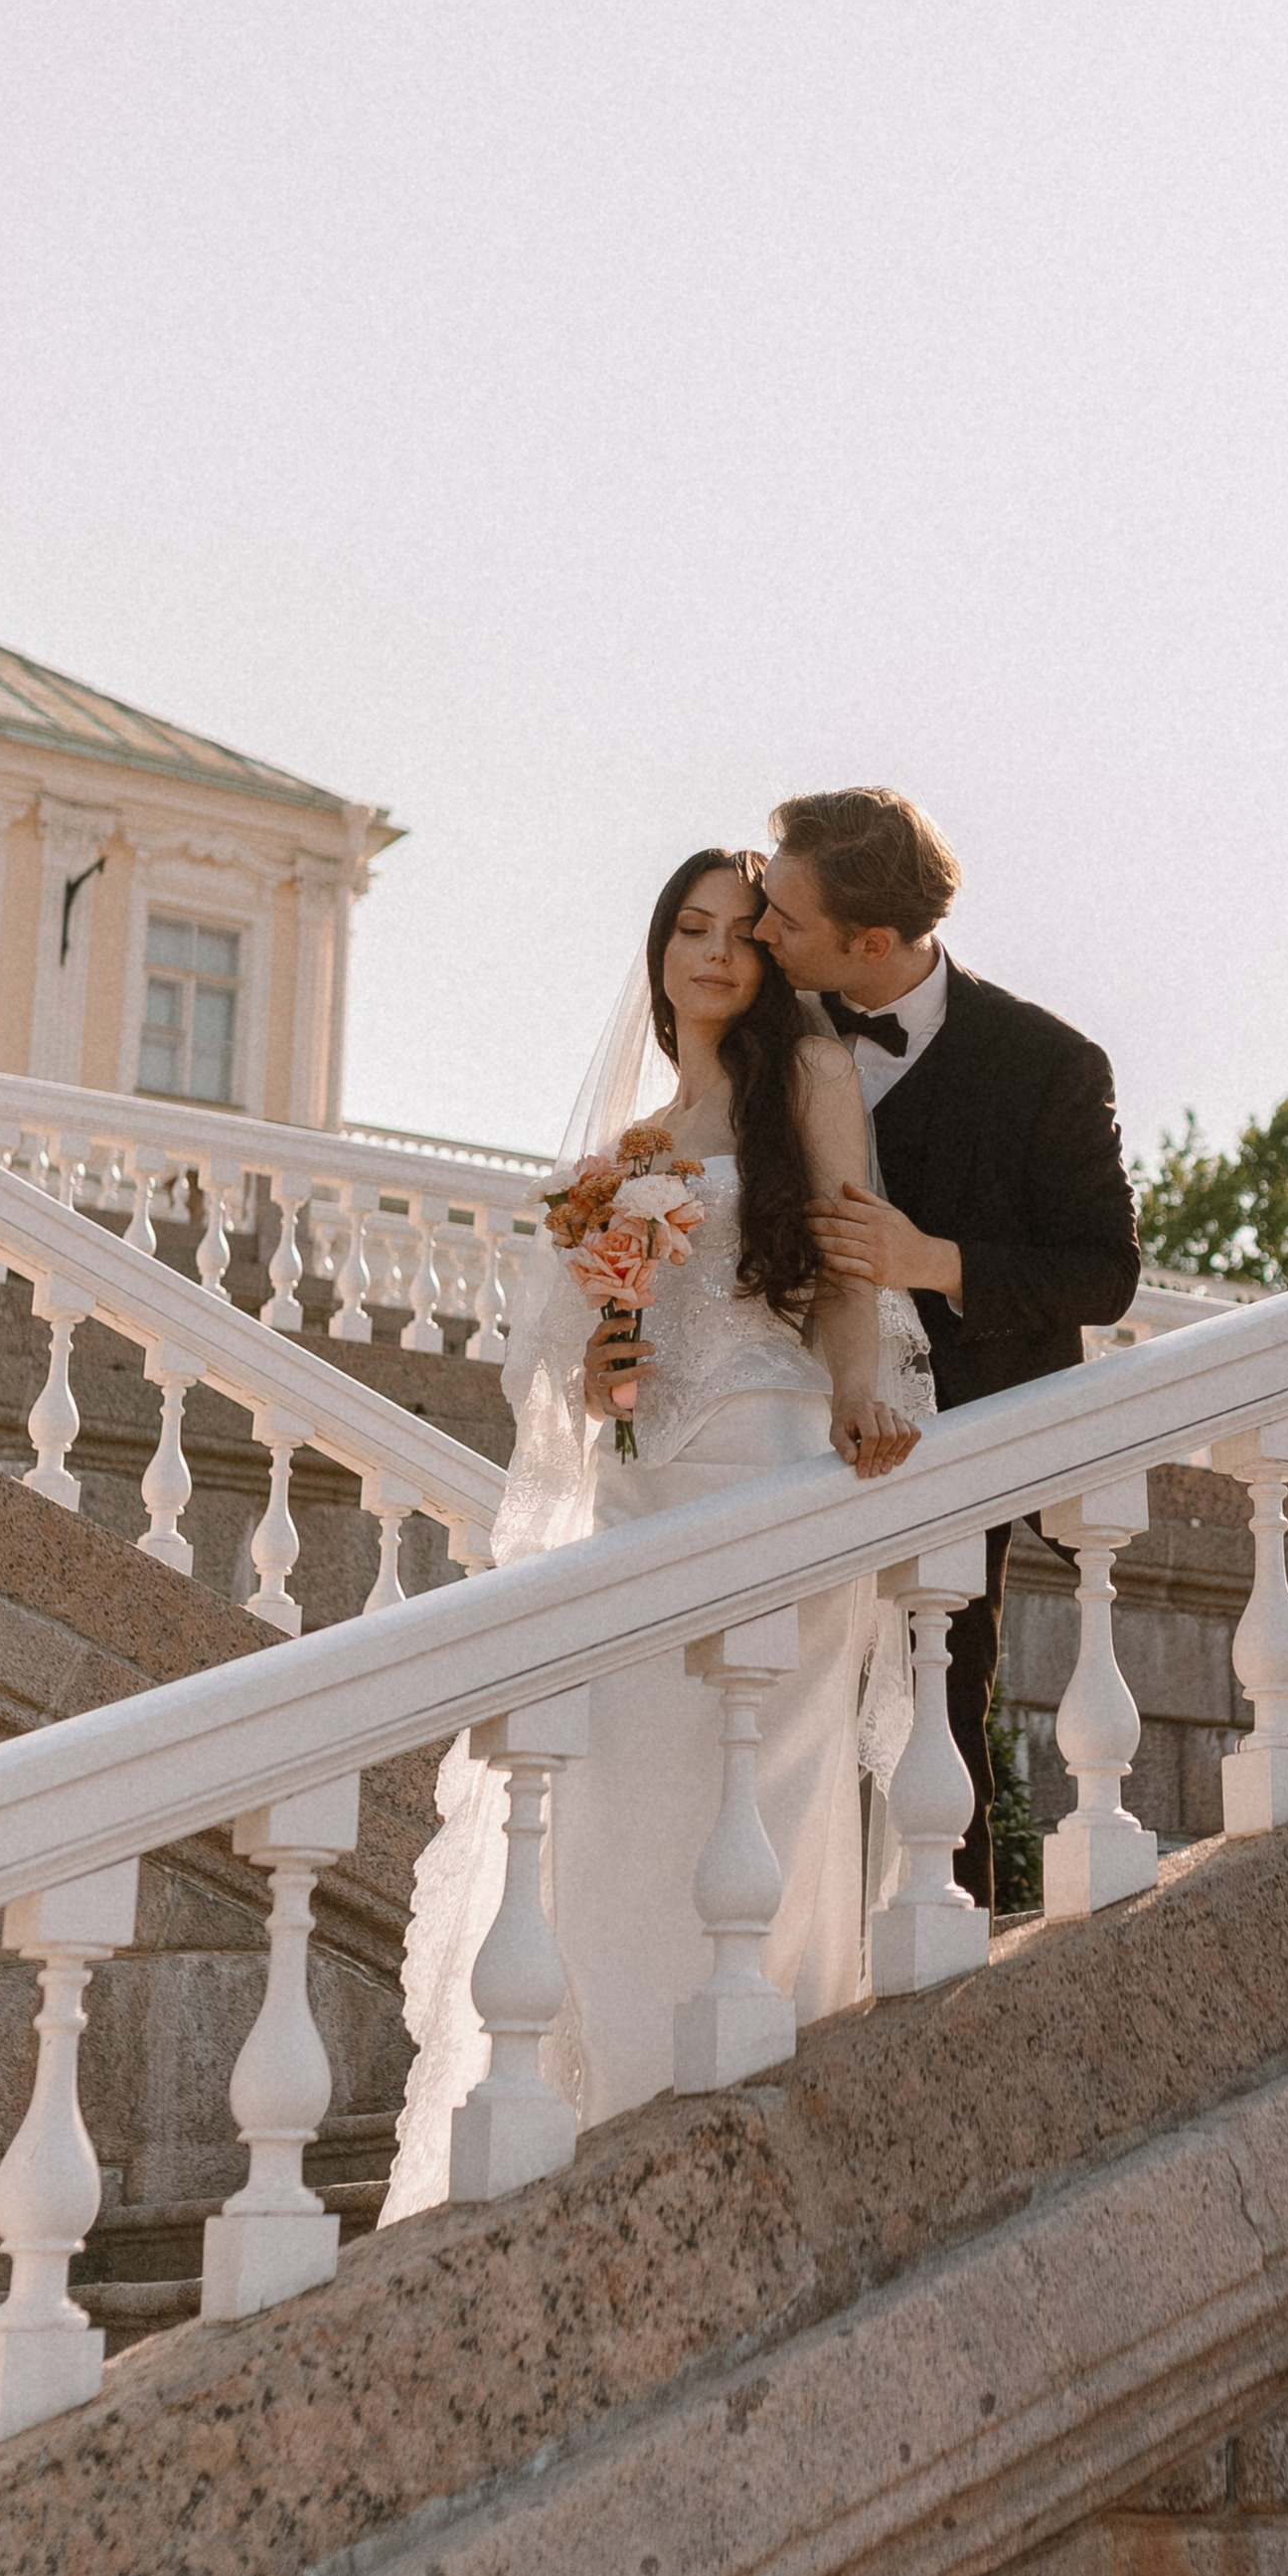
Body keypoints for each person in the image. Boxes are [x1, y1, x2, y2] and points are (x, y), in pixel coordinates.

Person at [383, 848, 926, 2216]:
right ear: (661, 949)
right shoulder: (636, 1149)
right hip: (641, 1496)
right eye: (691, 929)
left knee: (758, 1795)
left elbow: (849, 1272)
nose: (715, 954)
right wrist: (613, 1346)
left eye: (744, 934)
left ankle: (760, 2082)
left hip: (766, 1472)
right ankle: (621, 2102)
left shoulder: (808, 1083)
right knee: (618, 1805)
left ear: (773, 960)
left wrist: (861, 1399)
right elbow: (592, 1374)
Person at [752, 786, 1142, 1903]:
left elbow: (1101, 1273)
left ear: (869, 943)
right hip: (774, 1417)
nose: (759, 931)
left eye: (785, 916)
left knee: (934, 1717)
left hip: (954, 1449)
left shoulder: (1050, 1067)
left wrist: (932, 1261)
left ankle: (941, 1963)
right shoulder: (756, 1025)